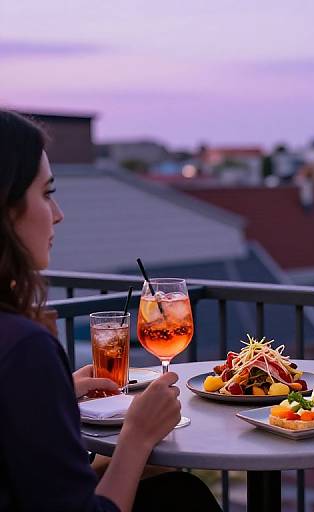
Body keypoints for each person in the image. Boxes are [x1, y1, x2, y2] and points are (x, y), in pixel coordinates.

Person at [0, 110, 222, 512]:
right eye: (47, 193)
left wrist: (55, 396)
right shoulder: (23, 347)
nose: (58, 213)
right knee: (182, 498)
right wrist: (137, 435)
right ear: (6, 207)